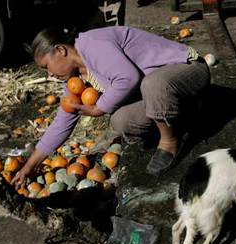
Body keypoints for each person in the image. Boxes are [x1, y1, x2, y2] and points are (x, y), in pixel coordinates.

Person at [11, 26, 210, 189]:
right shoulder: (75, 79)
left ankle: (169, 142)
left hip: (187, 70)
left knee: (153, 84)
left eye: (47, 67)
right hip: (159, 90)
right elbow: (62, 122)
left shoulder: (92, 45)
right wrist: (30, 165)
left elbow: (128, 77)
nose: (49, 75)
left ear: (61, 51)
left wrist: (98, 109)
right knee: (121, 120)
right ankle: (187, 110)